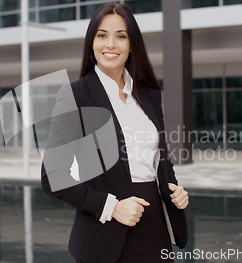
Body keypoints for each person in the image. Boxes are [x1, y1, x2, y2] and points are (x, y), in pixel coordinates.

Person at [41, 3, 189, 263]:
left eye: (121, 36)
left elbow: (159, 159)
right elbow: (53, 176)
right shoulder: (75, 95)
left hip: (155, 233)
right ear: (91, 43)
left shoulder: (149, 94)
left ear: (132, 45)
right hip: (103, 235)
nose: (111, 44)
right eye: (102, 35)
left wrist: (175, 190)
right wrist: (111, 207)